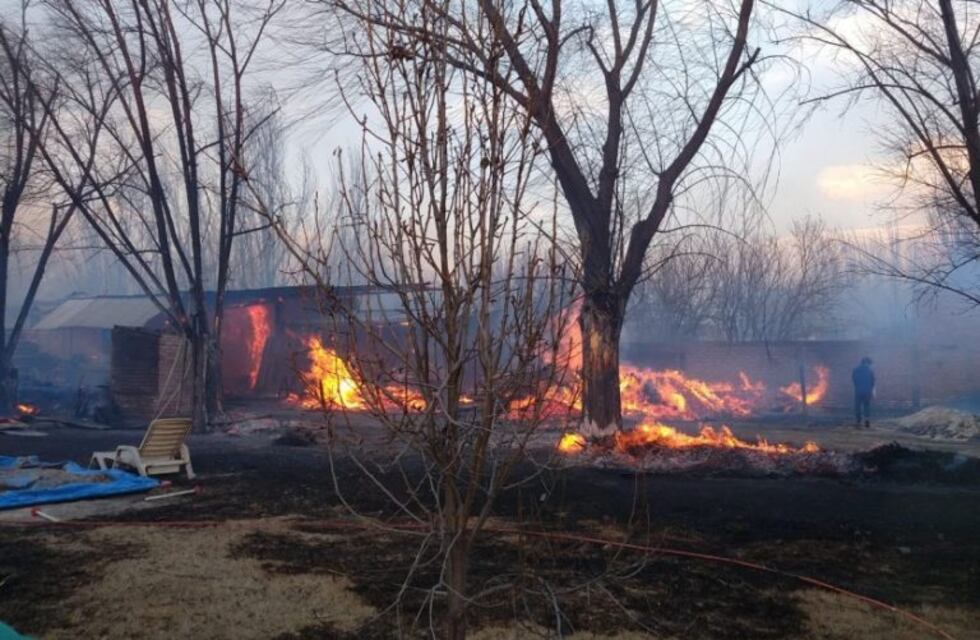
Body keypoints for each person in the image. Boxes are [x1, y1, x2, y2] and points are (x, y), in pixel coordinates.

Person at [852, 357, 875, 429]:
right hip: (867, 391)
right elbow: (872, 382)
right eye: (869, 364)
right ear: (866, 363)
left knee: (858, 406)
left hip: (858, 391)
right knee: (866, 406)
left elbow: (854, 380)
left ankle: (858, 422)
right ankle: (867, 421)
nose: (869, 365)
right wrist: (871, 390)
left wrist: (858, 386)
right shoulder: (870, 371)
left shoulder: (856, 370)